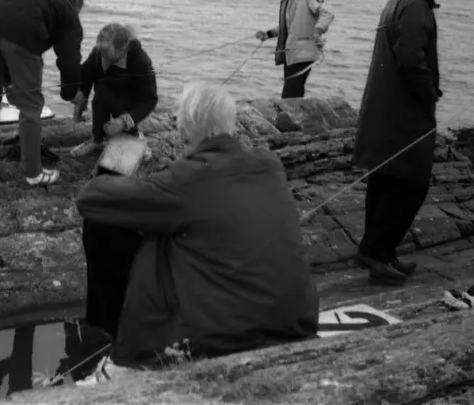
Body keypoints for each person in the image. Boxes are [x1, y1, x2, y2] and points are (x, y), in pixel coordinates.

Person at [73, 83, 319, 382]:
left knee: (128, 228)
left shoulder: (186, 179)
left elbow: (91, 199)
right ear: (230, 124)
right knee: (176, 229)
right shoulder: (270, 165)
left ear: (184, 132)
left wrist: (118, 163)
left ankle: (122, 346)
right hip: (294, 321)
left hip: (223, 339)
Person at [352, 0, 455, 284]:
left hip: (386, 111)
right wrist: (429, 98)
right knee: (410, 185)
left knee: (386, 181)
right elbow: (411, 61)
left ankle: (380, 252)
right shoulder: (414, 7)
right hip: (403, 116)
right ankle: (376, 253)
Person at [0, 0, 84, 186]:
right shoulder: (67, 10)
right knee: (31, 106)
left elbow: (1, 31)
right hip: (22, 35)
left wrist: (9, 82)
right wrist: (70, 93)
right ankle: (34, 172)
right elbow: (70, 59)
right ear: (75, 5)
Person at [70, 23, 159, 159]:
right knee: (101, 95)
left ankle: (135, 137)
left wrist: (125, 121)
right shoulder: (98, 52)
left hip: (129, 100)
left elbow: (150, 99)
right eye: (100, 49)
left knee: (121, 108)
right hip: (105, 92)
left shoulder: (141, 61)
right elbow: (87, 74)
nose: (101, 54)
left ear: (123, 48)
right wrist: (81, 96)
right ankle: (97, 139)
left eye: (106, 51)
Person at [256, 0, 334, 98]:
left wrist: (318, 31)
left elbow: (327, 13)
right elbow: (287, 27)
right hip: (292, 54)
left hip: (302, 53)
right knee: (295, 93)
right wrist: (267, 34)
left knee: (289, 96)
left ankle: (289, 118)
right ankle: (296, 117)